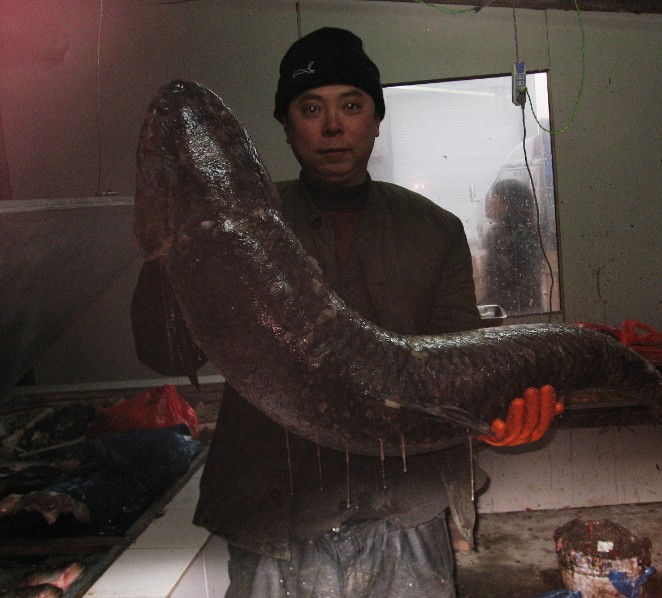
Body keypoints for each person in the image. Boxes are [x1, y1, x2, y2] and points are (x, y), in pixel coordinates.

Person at [132, 27, 560, 598]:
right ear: (286, 126)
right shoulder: (231, 227)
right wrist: (168, 242)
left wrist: (501, 420)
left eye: (351, 106)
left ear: (376, 120)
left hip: (407, 516)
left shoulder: (435, 229)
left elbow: (459, 371)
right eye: (311, 108)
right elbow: (165, 354)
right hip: (275, 522)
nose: (332, 126)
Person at [482, 178, 545, 314]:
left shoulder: (524, 241)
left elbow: (521, 291)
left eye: (494, 196)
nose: (488, 201)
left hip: (522, 315)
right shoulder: (496, 235)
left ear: (506, 204)